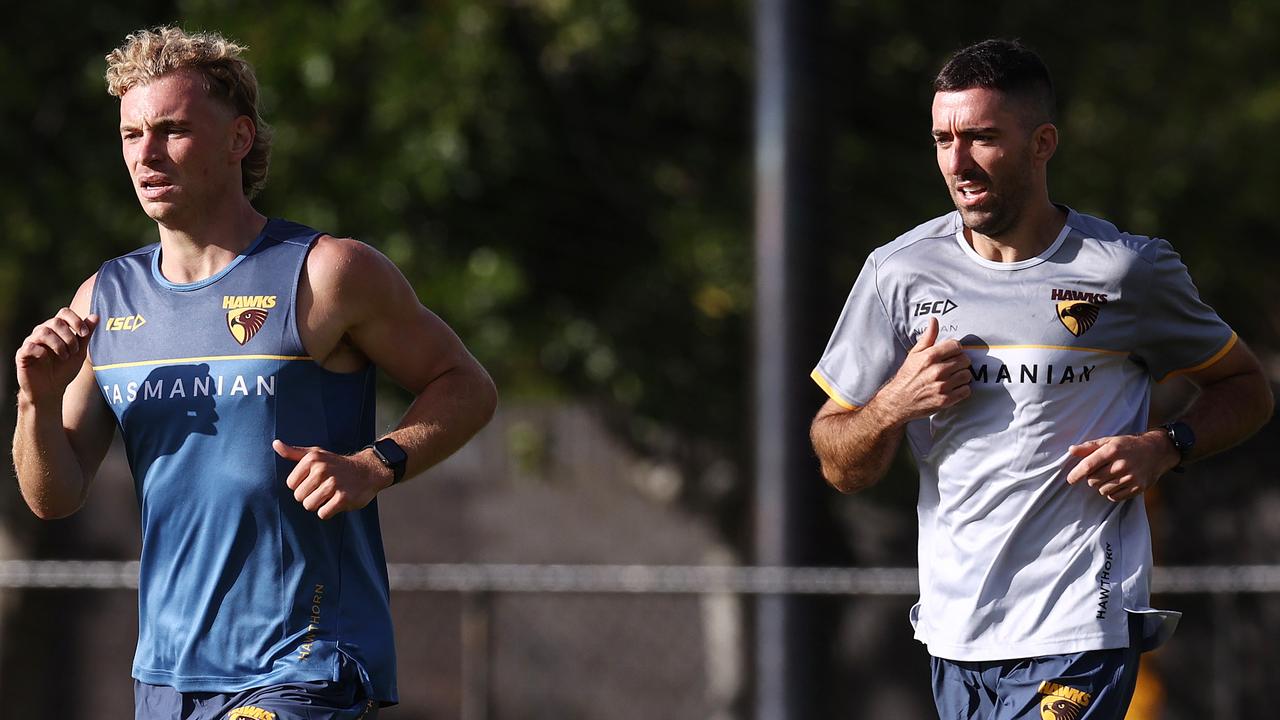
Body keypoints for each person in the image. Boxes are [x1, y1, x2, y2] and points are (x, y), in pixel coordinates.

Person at [12, 26, 497, 720]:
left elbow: (467, 384)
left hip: (303, 659)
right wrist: (36, 401)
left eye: (172, 130)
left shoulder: (327, 272)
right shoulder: (103, 300)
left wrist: (375, 463)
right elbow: (53, 498)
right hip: (168, 670)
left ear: (239, 139)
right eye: (130, 135)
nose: (146, 154)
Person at [809, 39, 1273, 719]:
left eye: (982, 137)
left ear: (1042, 143)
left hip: (1079, 625)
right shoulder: (898, 275)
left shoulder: (1124, 271)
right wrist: (891, 406)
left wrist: (1163, 445)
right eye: (943, 139)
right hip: (954, 634)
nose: (957, 162)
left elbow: (1247, 389)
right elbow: (838, 463)